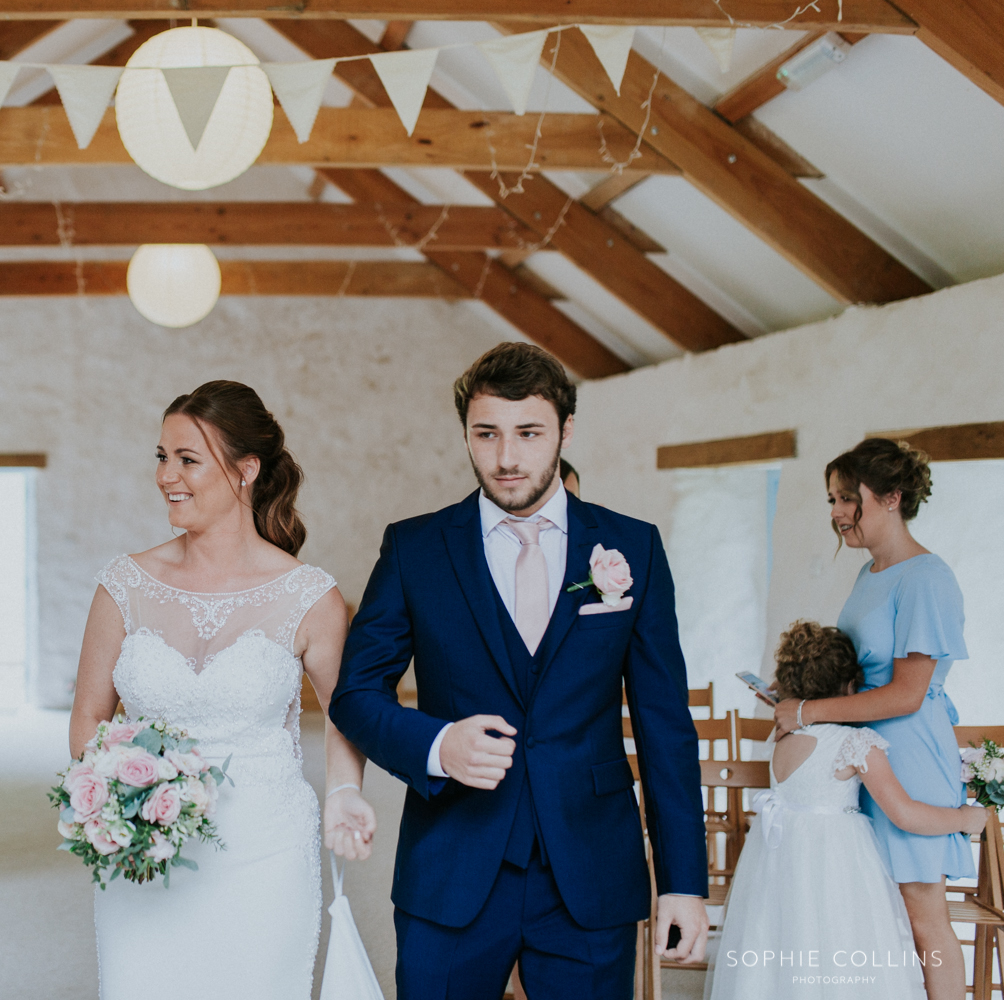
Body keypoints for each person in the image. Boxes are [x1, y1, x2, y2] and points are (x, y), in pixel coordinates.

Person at [329, 342, 708, 1000]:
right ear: (467, 435)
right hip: (452, 868)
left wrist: (683, 881)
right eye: (487, 434)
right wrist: (437, 745)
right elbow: (356, 693)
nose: (506, 458)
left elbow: (664, 726)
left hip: (590, 875)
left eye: (528, 433)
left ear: (564, 429)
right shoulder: (415, 548)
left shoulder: (631, 549)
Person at [70, 380, 376, 1000]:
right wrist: (111, 806)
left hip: (265, 853)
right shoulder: (124, 584)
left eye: (188, 459)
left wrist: (344, 792)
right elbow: (89, 718)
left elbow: (348, 714)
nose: (166, 476)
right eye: (161, 457)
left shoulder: (309, 595)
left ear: (246, 470)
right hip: (145, 857)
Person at [773, 438, 971, 999]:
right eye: (831, 499)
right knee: (875, 907)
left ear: (890, 497)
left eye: (845, 498)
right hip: (859, 754)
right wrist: (795, 696)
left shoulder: (926, 578)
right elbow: (860, 676)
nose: (835, 512)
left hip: (907, 754)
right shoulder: (869, 575)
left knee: (920, 912)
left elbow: (907, 694)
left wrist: (808, 711)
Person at [710, 621, 986, 999]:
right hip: (839, 869)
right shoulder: (857, 743)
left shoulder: (784, 737)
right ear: (850, 688)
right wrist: (965, 818)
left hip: (782, 868)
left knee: (791, 944)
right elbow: (904, 813)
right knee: (845, 944)